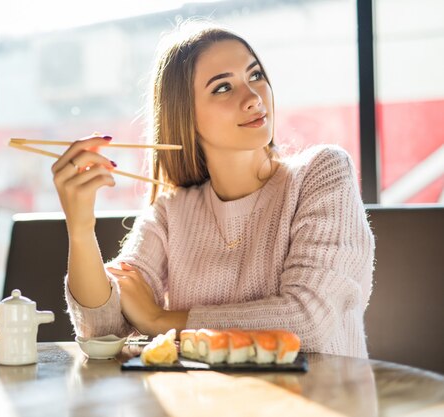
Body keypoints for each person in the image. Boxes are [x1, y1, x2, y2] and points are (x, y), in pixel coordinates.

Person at [51, 21, 374, 358]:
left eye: (255, 75)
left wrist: (158, 319)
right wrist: (80, 229)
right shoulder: (171, 211)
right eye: (223, 88)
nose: (252, 98)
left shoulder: (322, 173)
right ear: (185, 116)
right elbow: (104, 329)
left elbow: (307, 322)